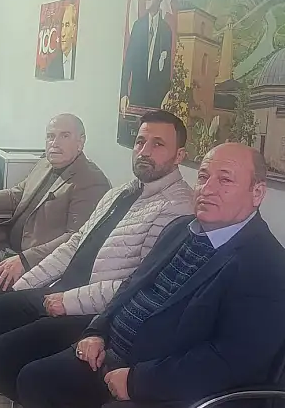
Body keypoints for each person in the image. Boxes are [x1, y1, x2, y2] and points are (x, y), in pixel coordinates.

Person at [17, 143, 285, 408]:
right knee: (33, 379)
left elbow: (231, 362)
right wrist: (97, 330)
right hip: (111, 353)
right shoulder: (180, 228)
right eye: (203, 177)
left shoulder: (266, 265)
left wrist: (137, 382)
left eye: (224, 180)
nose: (207, 188)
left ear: (257, 193)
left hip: (168, 387)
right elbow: (132, 284)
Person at [0, 110, 194, 385]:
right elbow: (76, 242)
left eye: (158, 144)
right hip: (58, 287)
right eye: (140, 142)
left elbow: (138, 284)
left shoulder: (176, 208)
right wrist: (27, 285)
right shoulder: (122, 192)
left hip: (91, 310)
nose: (144, 151)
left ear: (179, 155)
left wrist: (68, 301)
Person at [0, 114, 110, 376]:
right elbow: (16, 194)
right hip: (10, 248)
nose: (55, 143)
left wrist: (26, 260)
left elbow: (77, 237)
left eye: (64, 136)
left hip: (39, 262)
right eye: (50, 136)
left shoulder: (90, 181)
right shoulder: (45, 164)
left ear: (81, 141)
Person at [119, 0, 173, 115]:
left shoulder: (166, 31)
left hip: (156, 104)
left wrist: (166, 94)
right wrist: (123, 94)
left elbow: (166, 69)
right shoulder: (138, 26)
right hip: (136, 100)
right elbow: (128, 63)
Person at [45, 4, 78, 80]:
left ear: (73, 29)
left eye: (67, 25)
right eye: (62, 26)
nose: (63, 34)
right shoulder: (52, 66)